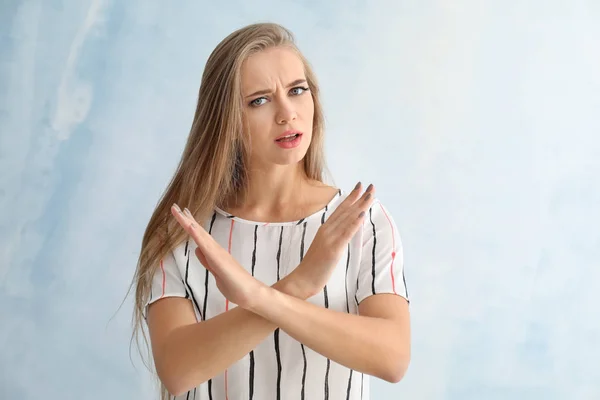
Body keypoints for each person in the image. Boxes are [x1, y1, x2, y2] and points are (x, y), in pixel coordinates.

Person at [131, 22, 411, 400]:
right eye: (259, 100)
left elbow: (393, 358)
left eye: (297, 91)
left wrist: (259, 297)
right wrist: (298, 285)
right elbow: (179, 370)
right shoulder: (183, 233)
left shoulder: (363, 222)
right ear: (226, 121)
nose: (287, 114)